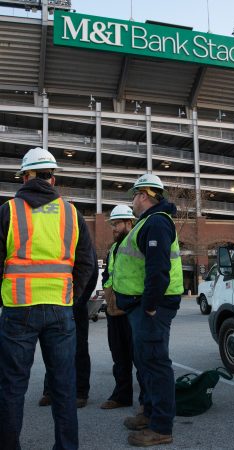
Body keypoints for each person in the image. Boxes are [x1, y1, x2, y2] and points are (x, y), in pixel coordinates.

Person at [0, 147, 94, 450]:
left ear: (26, 176)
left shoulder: (9, 210)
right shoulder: (71, 212)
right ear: (52, 178)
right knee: (64, 386)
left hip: (18, 309)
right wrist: (72, 297)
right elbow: (86, 263)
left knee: (12, 387)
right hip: (60, 310)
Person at [112, 174, 184, 447]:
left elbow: (158, 269)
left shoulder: (156, 222)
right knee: (146, 361)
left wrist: (151, 306)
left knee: (155, 363)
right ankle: (151, 413)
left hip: (152, 307)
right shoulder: (147, 223)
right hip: (142, 306)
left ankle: (161, 426)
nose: (132, 201)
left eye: (134, 195)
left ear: (143, 195)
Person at [38, 246, 99, 409]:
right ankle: (50, 390)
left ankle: (80, 392)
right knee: (52, 348)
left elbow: (91, 272)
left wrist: (78, 299)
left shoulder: (79, 236)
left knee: (79, 348)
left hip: (74, 304)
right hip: (53, 303)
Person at [100, 204, 143, 410]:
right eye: (112, 224)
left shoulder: (137, 242)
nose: (113, 228)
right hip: (114, 311)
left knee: (141, 359)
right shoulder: (114, 248)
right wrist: (109, 295)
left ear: (129, 222)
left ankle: (147, 402)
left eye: (117, 223)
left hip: (133, 310)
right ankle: (121, 396)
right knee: (119, 357)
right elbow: (107, 274)